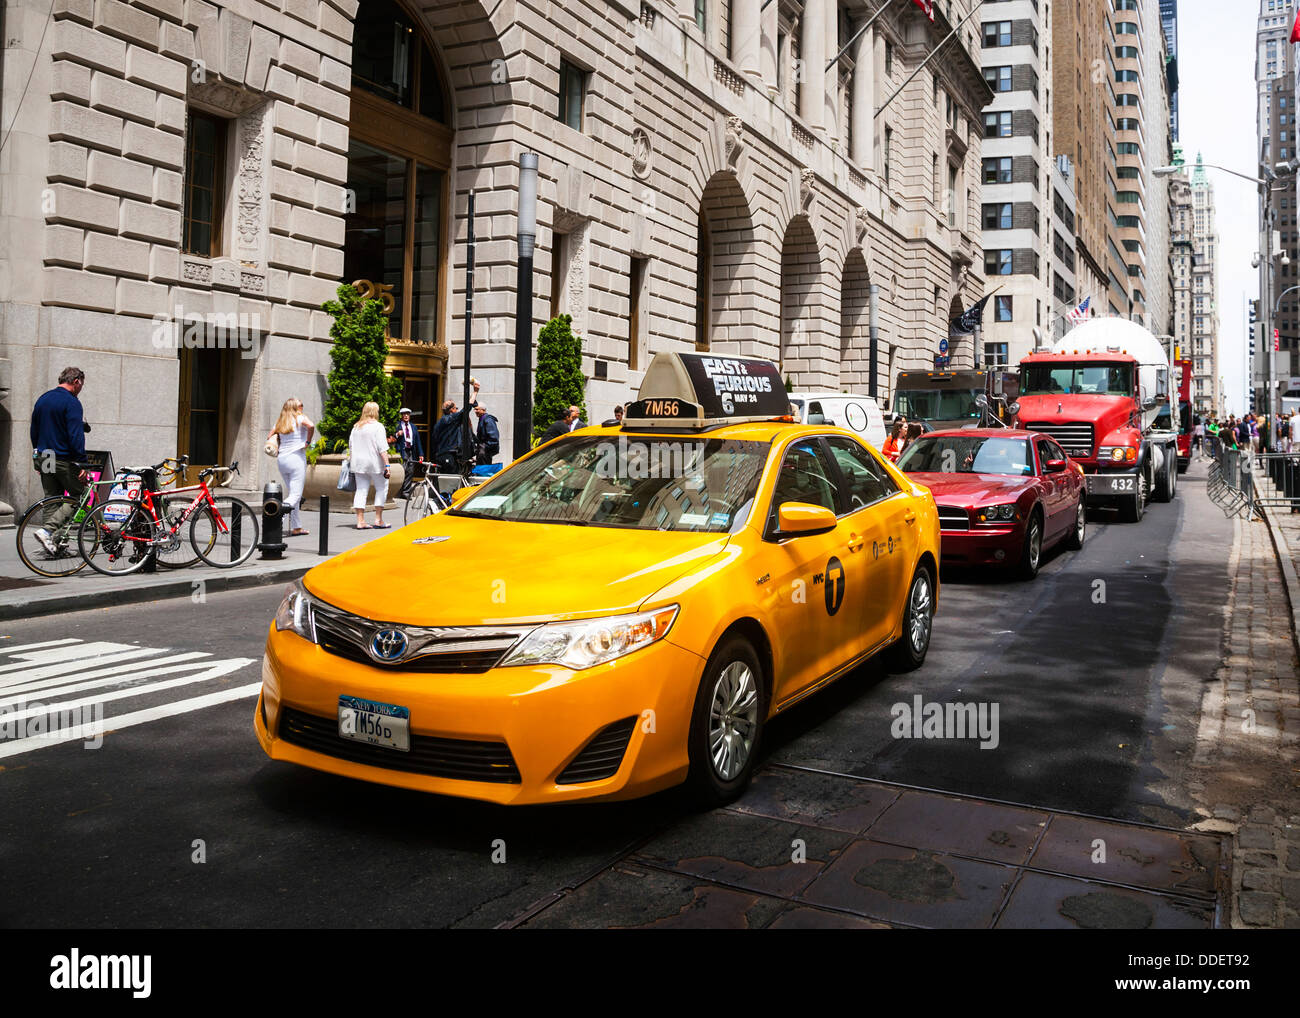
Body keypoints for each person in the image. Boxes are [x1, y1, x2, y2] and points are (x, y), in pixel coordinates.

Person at [30, 366, 88, 553]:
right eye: (81, 385)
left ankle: (54, 544)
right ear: (76, 381)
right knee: (79, 496)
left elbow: (34, 430)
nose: (81, 389)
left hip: (45, 455)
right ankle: (48, 532)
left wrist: (37, 456)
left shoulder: (43, 398)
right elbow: (75, 435)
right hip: (63, 458)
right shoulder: (71, 402)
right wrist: (82, 462)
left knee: (51, 499)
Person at [268, 398, 314, 537]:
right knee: (295, 495)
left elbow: (269, 436)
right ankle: (276, 519)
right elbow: (311, 426)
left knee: (294, 494)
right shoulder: (300, 418)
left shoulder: (280, 421)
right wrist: (307, 441)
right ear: (295, 407)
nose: (302, 408)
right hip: (296, 458)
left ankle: (296, 527)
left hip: (282, 459)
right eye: (300, 405)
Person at [348, 402, 392, 529]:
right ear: (375, 412)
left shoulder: (356, 427)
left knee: (361, 490)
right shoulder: (378, 427)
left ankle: (360, 520)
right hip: (374, 463)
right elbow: (382, 448)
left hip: (359, 463)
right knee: (382, 488)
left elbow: (351, 446)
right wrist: (387, 466)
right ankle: (378, 519)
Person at [432, 381, 480, 473]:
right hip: (448, 455)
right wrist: (475, 392)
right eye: (455, 408)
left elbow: (434, 440)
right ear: (451, 410)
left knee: (444, 481)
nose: (457, 410)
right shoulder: (451, 419)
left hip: (440, 455)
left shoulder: (439, 422)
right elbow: (466, 409)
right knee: (452, 481)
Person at [392, 407, 424, 498]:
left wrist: (421, 454)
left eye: (407, 414)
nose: (406, 416)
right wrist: (398, 434)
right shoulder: (397, 425)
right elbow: (391, 437)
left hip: (411, 451)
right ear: (401, 416)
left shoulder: (413, 426)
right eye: (404, 414)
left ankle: (406, 492)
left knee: (410, 471)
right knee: (402, 471)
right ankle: (398, 492)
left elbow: (418, 441)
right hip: (402, 451)